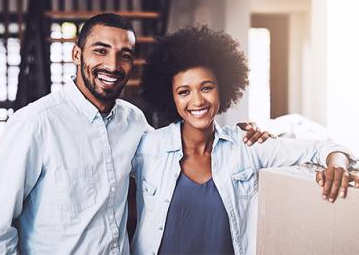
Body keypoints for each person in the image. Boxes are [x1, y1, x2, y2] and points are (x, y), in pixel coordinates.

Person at [0, 14, 267, 254]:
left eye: (124, 55)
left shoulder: (134, 122)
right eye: (100, 50)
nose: (113, 65)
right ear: (77, 54)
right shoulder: (35, 124)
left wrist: (249, 135)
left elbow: (177, 151)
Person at [130, 26, 357, 255]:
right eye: (184, 92)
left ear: (223, 88)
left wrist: (336, 166)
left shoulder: (247, 147)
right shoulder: (148, 147)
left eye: (206, 88)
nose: (197, 100)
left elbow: (326, 147)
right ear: (171, 97)